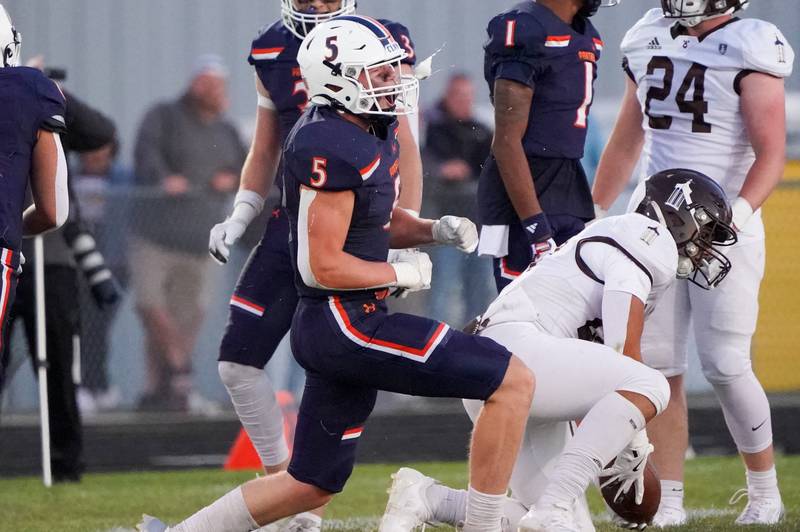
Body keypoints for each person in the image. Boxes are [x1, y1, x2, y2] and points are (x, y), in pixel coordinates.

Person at [139, 16, 534, 532]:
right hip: (346, 323)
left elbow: (375, 221)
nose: (394, 83)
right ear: (337, 78)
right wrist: (397, 273)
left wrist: (433, 230)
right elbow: (320, 265)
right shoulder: (330, 144)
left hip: (340, 324)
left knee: (310, 483)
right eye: (379, 74)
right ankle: (484, 524)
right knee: (511, 379)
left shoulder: (366, 128)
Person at [380, 169, 738, 532]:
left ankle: (425, 497)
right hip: (518, 352)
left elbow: (589, 372)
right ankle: (553, 505)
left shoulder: (623, 236)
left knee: (569, 529)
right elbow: (621, 350)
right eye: (707, 232)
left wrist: (613, 437)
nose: (706, 248)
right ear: (678, 215)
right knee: (652, 385)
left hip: (504, 365)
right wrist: (635, 443)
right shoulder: (649, 237)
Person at [206, 1, 423, 529]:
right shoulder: (270, 47)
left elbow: (408, 146)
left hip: (361, 224)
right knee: (237, 362)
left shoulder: (383, 38)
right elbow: (266, 148)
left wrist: (405, 227)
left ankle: (299, 492)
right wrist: (241, 212)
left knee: (334, 352)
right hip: (293, 219)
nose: (317, 5)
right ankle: (287, 497)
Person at [591, 0, 793, 526]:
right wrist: (593, 211)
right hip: (653, 222)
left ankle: (765, 491)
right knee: (659, 368)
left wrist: (735, 218)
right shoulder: (645, 35)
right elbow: (627, 139)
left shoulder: (753, 41)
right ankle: (671, 499)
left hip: (725, 226)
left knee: (726, 364)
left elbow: (771, 152)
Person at [477, 0, 619, 293]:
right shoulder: (526, 29)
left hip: (568, 182)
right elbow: (506, 141)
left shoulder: (584, 32)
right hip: (525, 189)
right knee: (523, 314)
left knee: (576, 311)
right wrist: (534, 225)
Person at [132, 54, 246, 411]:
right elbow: (145, 153)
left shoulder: (226, 130)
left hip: (201, 241)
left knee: (188, 315)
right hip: (155, 236)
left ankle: (160, 390)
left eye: (220, 86)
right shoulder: (164, 116)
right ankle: (181, 372)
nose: (216, 92)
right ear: (196, 84)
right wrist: (164, 179)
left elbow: (248, 166)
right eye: (210, 84)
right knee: (150, 305)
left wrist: (232, 179)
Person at [423, 73, 494, 326]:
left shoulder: (482, 132)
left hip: (477, 227)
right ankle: (436, 344)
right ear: (447, 97)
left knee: (479, 295)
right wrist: (443, 170)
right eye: (458, 96)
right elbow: (423, 165)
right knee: (442, 292)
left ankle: (475, 341)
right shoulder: (432, 129)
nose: (464, 102)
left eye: (468, 97)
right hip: (443, 227)